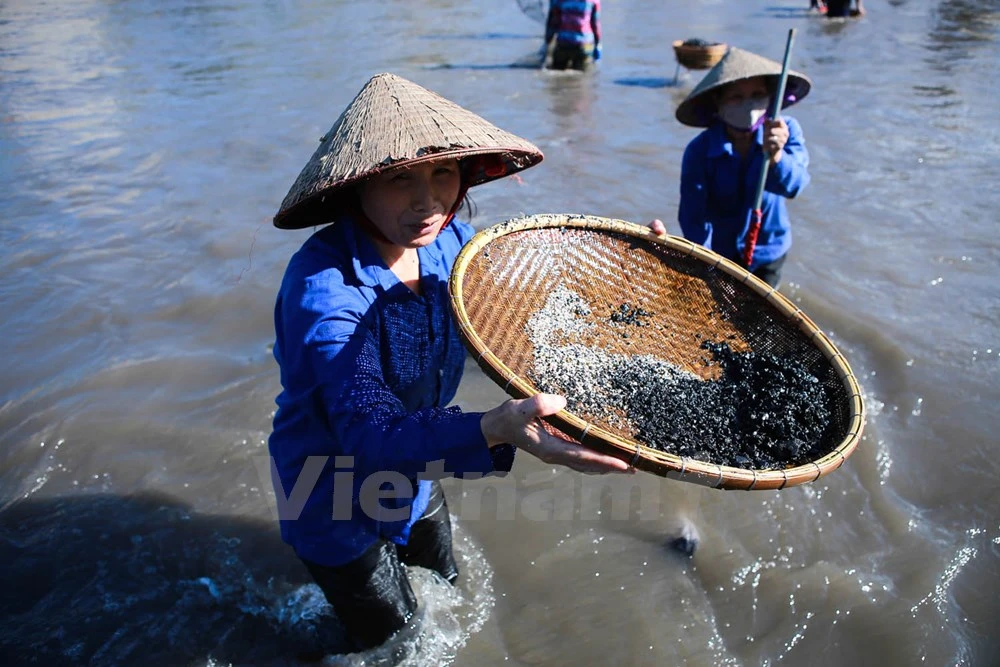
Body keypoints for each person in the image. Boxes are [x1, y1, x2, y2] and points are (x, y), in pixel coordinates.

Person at [268, 72, 631, 655]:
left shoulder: (448, 243)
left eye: (442, 172)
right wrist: (493, 428)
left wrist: (624, 289)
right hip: (330, 493)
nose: (427, 200)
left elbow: (520, 313)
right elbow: (368, 429)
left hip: (416, 469)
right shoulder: (324, 293)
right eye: (399, 179)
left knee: (448, 589)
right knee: (392, 643)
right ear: (355, 187)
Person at [650, 47, 813, 288]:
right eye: (736, 97)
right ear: (718, 101)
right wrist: (701, 266)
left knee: (760, 316)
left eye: (757, 94)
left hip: (768, 249)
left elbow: (795, 185)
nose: (747, 105)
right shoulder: (700, 151)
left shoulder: (785, 131)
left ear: (769, 98)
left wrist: (777, 155)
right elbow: (694, 217)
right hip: (724, 253)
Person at [544, 0, 602, 70]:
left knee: (557, 74)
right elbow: (595, 24)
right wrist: (597, 44)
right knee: (583, 77)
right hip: (584, 44)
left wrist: (548, 41)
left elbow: (553, 22)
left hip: (563, 43)